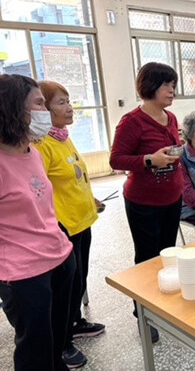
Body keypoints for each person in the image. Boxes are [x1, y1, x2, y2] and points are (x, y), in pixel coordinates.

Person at [0, 74, 75, 371]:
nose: (46, 112)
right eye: (39, 104)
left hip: (58, 258)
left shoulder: (33, 153)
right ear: (13, 109)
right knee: (35, 349)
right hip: (23, 275)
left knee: (57, 338)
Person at [109, 62, 184, 343]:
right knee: (146, 258)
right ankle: (143, 313)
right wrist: (150, 159)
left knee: (167, 255)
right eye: (167, 85)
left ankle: (162, 305)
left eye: (173, 85)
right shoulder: (132, 122)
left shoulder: (172, 118)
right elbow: (116, 160)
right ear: (150, 87)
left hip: (172, 197)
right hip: (143, 202)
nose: (172, 91)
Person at [34, 80, 105, 369]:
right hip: (62, 227)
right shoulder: (41, 146)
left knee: (80, 279)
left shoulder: (62, 136)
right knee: (67, 286)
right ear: (43, 109)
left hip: (82, 220)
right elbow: (39, 193)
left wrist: (92, 198)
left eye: (69, 100)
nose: (69, 107)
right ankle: (62, 344)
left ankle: (73, 323)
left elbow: (74, 176)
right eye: (60, 102)